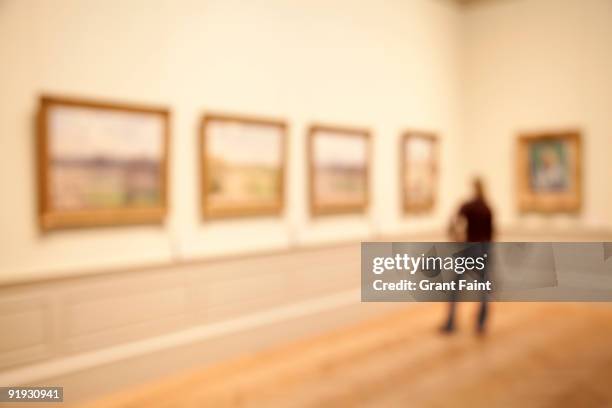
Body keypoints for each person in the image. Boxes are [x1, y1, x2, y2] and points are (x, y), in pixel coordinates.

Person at [441, 178, 494, 335]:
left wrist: (454, 235)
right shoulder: (487, 208)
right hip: (483, 249)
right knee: (484, 289)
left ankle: (450, 322)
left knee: (455, 287)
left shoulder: (469, 206)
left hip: (469, 249)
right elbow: (491, 234)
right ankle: (481, 323)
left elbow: (453, 221)